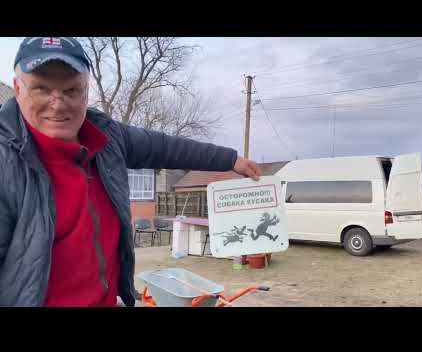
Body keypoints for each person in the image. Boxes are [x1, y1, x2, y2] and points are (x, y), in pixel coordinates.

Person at [0, 37, 262, 307]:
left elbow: (168, 148)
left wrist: (232, 160)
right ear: (18, 89)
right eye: (42, 89)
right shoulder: (5, 163)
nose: (58, 104)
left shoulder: (108, 137)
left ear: (86, 92)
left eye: (71, 90)